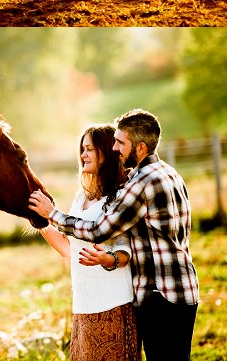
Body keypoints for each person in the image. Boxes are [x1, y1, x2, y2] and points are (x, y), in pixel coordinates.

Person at [30, 109, 199, 361]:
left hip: (159, 295)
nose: (115, 149)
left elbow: (99, 230)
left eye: (120, 143)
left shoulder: (140, 184)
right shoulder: (169, 173)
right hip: (182, 288)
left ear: (141, 148)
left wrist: (52, 214)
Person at [38, 124, 138, 361]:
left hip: (112, 304)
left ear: (105, 151)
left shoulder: (120, 195)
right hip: (83, 306)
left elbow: (125, 251)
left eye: (89, 149)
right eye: (82, 149)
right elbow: (68, 248)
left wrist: (107, 259)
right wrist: (38, 218)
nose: (83, 155)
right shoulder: (81, 196)